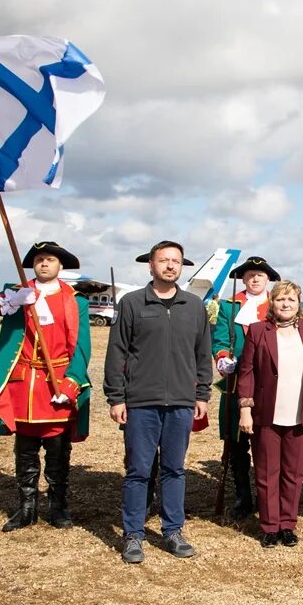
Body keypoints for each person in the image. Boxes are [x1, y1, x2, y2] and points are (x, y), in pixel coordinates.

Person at [0, 242, 92, 533]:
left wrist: (72, 382)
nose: (44, 264)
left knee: (57, 448)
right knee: (25, 448)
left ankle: (58, 505)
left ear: (60, 265)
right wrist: (6, 300)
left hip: (57, 382)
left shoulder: (76, 301)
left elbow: (82, 348)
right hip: (24, 385)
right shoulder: (17, 292)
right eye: (39, 259)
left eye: (50, 259)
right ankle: (27, 507)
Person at [105, 240, 213, 564]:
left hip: (181, 402)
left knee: (174, 469)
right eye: (163, 260)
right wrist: (116, 397)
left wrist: (202, 393)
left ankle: (173, 531)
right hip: (141, 402)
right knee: (138, 470)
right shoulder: (132, 303)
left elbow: (202, 354)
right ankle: (134, 535)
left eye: (175, 261)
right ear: (150, 266)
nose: (170, 265)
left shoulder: (194, 306)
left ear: (182, 266)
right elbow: (117, 352)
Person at [237, 281, 303, 547]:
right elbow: (246, 372)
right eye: (280, 299)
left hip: (300, 413)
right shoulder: (257, 331)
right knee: (267, 472)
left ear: (299, 303)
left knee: (294, 472)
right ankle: (269, 525)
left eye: (290, 299)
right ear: (272, 303)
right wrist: (245, 408)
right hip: (267, 413)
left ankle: (288, 524)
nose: (285, 304)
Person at [213, 257, 281, 520]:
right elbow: (219, 337)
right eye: (251, 275)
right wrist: (222, 357)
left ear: (267, 280)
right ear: (243, 279)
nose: (255, 279)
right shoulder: (229, 307)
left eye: (260, 276)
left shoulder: (276, 305)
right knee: (236, 443)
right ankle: (243, 495)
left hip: (268, 385)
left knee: (266, 442)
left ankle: (267, 497)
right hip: (234, 383)